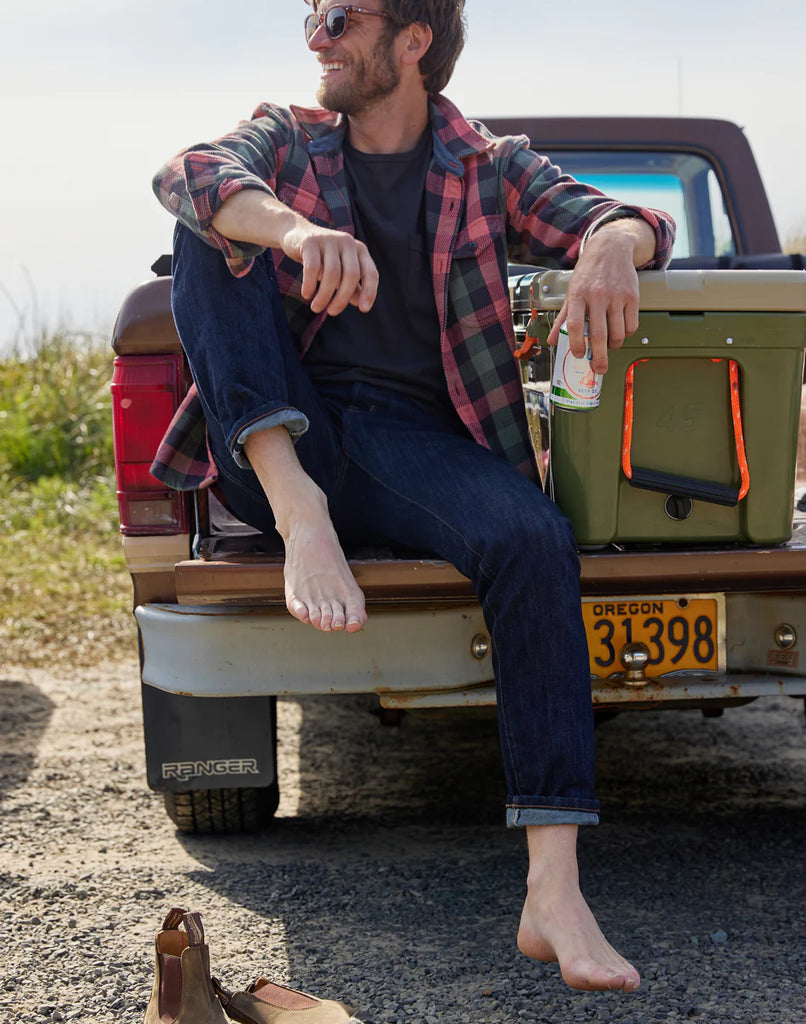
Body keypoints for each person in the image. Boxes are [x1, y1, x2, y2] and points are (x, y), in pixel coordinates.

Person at [152, 0, 675, 994]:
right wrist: (295, 229)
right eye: (310, 15)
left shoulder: (489, 165)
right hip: (283, 438)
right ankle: (304, 515)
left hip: (413, 448)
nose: (316, 37)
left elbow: (629, 218)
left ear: (412, 41)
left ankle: (553, 892)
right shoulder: (289, 139)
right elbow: (189, 172)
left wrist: (609, 245)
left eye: (339, 16)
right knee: (208, 232)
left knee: (532, 536)